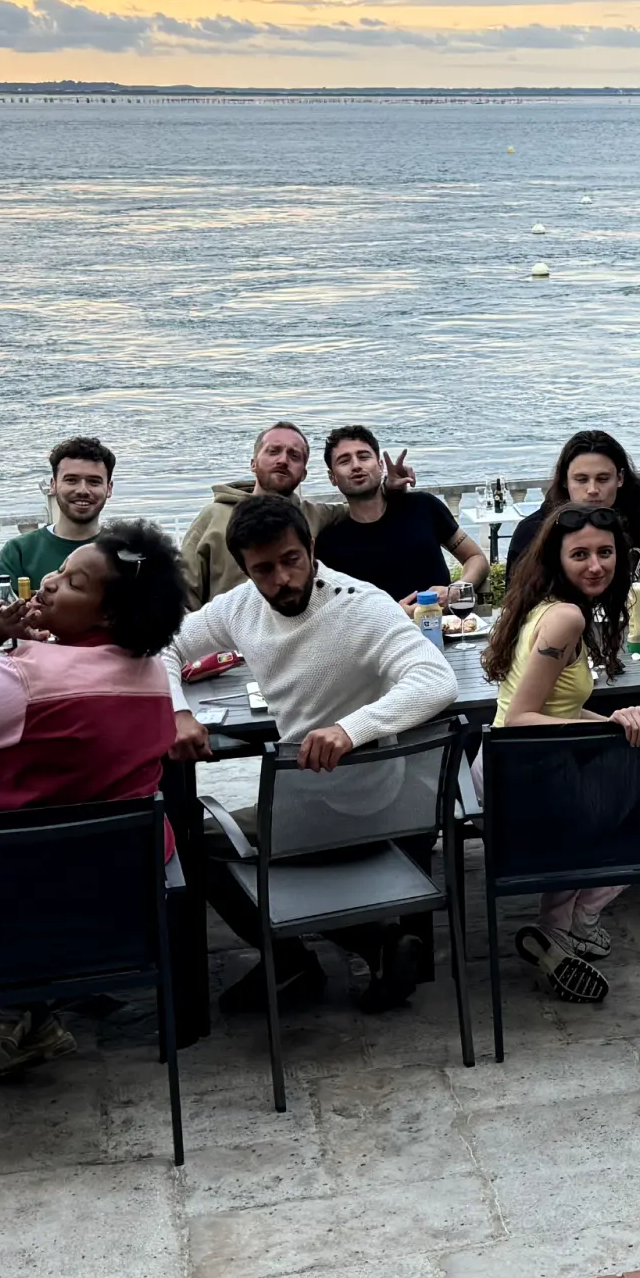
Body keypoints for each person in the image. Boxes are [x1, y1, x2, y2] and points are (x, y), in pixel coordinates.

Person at [0, 521, 192, 1081]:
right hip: (115, 911)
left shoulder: (23, 680)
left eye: (74, 583)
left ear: (108, 616)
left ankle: (9, 1008)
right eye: (59, 569)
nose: (50, 583)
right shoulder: (154, 675)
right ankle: (27, 1014)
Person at [166, 492, 459, 1013]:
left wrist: (351, 728)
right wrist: (177, 713)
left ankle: (293, 958)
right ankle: (374, 945)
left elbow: (436, 680)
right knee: (232, 824)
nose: (281, 579)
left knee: (187, 838)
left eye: (291, 560)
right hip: (318, 802)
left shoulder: (360, 605)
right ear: (245, 569)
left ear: (312, 548)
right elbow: (165, 644)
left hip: (352, 810)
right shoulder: (242, 607)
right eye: (263, 570)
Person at [482, 503, 640, 1004]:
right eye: (580, 554)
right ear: (558, 558)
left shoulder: (544, 604)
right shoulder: (567, 618)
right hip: (523, 772)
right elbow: (521, 720)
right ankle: (575, 920)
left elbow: (559, 707)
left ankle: (559, 928)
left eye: (605, 552)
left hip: (506, 768)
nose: (595, 565)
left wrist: (621, 722)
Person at [508, 431, 640, 606]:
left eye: (603, 479)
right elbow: (515, 601)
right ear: (564, 481)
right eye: (581, 479)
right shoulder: (534, 530)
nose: (592, 490)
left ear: (620, 478)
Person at [313, 426, 489, 606]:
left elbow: (475, 557)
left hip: (443, 628)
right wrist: (396, 616)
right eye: (344, 461)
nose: (356, 465)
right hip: (378, 633)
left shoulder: (423, 507)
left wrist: (456, 589)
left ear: (380, 466)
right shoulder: (330, 543)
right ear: (332, 477)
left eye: (364, 456)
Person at [180, 423, 341, 609]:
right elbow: (184, 589)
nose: (282, 460)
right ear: (253, 463)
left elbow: (362, 507)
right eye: (273, 451)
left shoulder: (314, 515)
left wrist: (383, 488)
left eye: (294, 456)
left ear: (303, 473)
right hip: (223, 632)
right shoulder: (214, 516)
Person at [0, 436, 118, 612]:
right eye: (71, 480)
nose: (82, 490)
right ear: (53, 485)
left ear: (109, 488)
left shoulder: (123, 551)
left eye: (94, 482)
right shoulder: (20, 551)